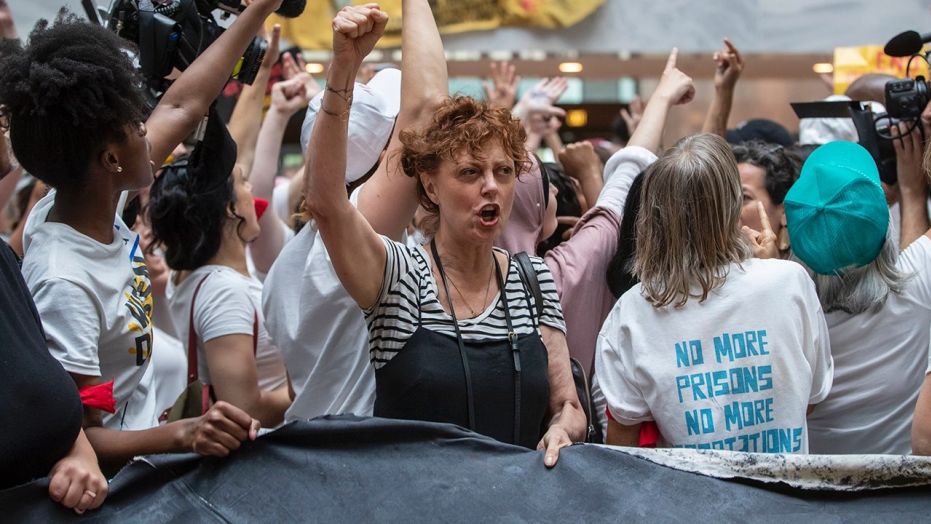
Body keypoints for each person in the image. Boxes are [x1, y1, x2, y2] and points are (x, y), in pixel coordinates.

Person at [304, 5, 585, 465]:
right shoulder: (399, 276)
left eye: (504, 171)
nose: (491, 185)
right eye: (471, 172)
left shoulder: (533, 278)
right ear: (430, 185)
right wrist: (343, 71)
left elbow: (567, 404)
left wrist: (562, 430)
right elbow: (327, 206)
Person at [0, 5, 277, 472]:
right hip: (119, 490)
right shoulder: (65, 282)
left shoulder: (79, 203)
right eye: (135, 126)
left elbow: (183, 105)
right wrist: (185, 433)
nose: (147, 128)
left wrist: (260, 8)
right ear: (110, 159)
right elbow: (76, 439)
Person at [262, 0, 448, 421]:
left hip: (310, 446)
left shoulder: (287, 263)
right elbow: (428, 108)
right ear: (388, 157)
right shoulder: (358, 230)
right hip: (358, 454)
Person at [595, 133, 833, 452]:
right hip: (785, 497)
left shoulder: (631, 312)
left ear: (652, 214)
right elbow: (809, 402)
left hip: (691, 499)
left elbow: (623, 449)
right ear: (732, 203)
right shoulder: (790, 281)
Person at [148, 110, 292, 428]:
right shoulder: (224, 291)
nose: (252, 187)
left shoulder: (195, 277)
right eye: (243, 182)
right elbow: (242, 407)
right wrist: (309, 386)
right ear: (230, 209)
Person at [791, 137, 931, 455]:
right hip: (900, 492)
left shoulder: (786, 317)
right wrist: (911, 190)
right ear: (886, 229)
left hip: (816, 495)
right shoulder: (920, 281)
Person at [732, 140, 801, 258]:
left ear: (784, 211)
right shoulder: (711, 270)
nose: (728, 211)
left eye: (744, 197)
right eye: (726, 197)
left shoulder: (809, 272)